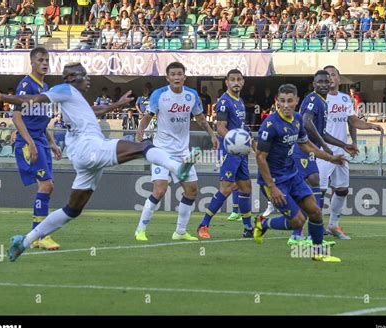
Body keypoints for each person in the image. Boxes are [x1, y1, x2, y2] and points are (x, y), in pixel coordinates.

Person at [0, 62, 201, 262]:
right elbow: (30, 100)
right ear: (71, 78)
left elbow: (95, 110)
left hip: (84, 154)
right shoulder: (64, 89)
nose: (88, 78)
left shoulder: (74, 98)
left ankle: (24, 241)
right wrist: (3, 97)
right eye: (83, 75)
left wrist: (117, 104)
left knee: (72, 209)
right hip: (89, 148)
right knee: (143, 146)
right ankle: (177, 168)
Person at [253, 83, 346, 262]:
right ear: (276, 102)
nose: (286, 105)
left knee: (315, 212)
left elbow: (306, 145)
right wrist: (272, 187)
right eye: (282, 101)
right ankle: (264, 223)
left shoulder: (297, 119)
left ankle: (318, 253)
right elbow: (260, 157)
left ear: (297, 101)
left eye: (290, 100)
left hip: (292, 175)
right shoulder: (270, 125)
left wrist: (330, 157)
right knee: (297, 221)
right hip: (274, 180)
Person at [134, 62, 219, 242]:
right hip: (162, 151)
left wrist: (212, 134)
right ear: (167, 78)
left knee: (192, 191)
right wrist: (140, 130)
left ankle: (180, 231)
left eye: (179, 74)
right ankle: (140, 229)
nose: (176, 77)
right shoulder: (159, 95)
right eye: (173, 74)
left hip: (183, 153)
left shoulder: (191, 95)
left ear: (184, 76)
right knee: (160, 190)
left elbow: (201, 118)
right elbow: (148, 115)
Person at [288, 70, 358, 245]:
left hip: (310, 151)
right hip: (303, 150)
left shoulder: (323, 102)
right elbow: (306, 122)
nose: (324, 85)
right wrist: (325, 148)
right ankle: (308, 235)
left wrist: (343, 145)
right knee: (314, 188)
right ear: (314, 84)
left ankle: (299, 235)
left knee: (313, 187)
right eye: (320, 82)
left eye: (327, 82)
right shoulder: (313, 99)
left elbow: (322, 132)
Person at [318, 65, 383, 239]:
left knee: (342, 189)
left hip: (342, 150)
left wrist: (362, 133)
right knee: (319, 190)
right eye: (327, 76)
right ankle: (314, 227)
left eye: (333, 75)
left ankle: (333, 225)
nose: (330, 78)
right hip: (323, 151)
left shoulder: (345, 99)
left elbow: (351, 121)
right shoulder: (318, 100)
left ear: (339, 78)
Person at [11, 47, 62, 251]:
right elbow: (16, 116)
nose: (44, 63)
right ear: (32, 62)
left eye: (47, 59)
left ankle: (38, 235)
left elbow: (40, 119)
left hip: (41, 140)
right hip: (29, 143)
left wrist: (51, 141)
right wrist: (30, 142)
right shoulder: (26, 85)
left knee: (47, 186)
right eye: (40, 59)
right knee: (46, 185)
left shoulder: (45, 86)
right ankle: (40, 235)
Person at [197, 69, 254, 239]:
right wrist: (236, 141)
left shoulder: (240, 101)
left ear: (243, 82)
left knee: (245, 188)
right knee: (226, 188)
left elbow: (241, 127)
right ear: (227, 83)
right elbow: (220, 127)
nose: (236, 82)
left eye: (239, 79)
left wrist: (248, 141)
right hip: (230, 151)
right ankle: (203, 225)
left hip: (241, 151)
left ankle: (248, 228)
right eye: (232, 80)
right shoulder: (224, 102)